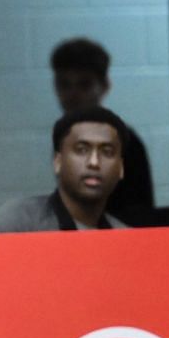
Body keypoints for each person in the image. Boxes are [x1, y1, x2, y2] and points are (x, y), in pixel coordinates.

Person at [49, 38, 152, 223]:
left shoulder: (127, 143)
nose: (73, 95)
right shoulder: (63, 140)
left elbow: (139, 213)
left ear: (104, 86)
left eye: (84, 85)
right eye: (65, 84)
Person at [0, 107, 131, 233]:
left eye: (107, 152)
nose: (94, 162)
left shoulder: (126, 239)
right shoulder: (17, 223)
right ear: (57, 161)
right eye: (81, 150)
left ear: (121, 168)